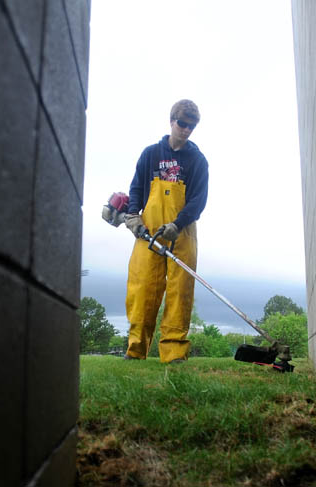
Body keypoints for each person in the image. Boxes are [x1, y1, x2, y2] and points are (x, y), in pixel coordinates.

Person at [123, 99, 209, 363]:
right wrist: (132, 215)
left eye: (191, 126)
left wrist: (177, 224)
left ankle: (173, 352)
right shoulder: (150, 154)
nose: (186, 130)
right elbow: (137, 187)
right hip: (148, 231)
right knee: (142, 288)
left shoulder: (197, 160)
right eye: (182, 124)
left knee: (180, 291)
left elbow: (198, 200)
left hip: (181, 233)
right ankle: (136, 349)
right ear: (172, 121)